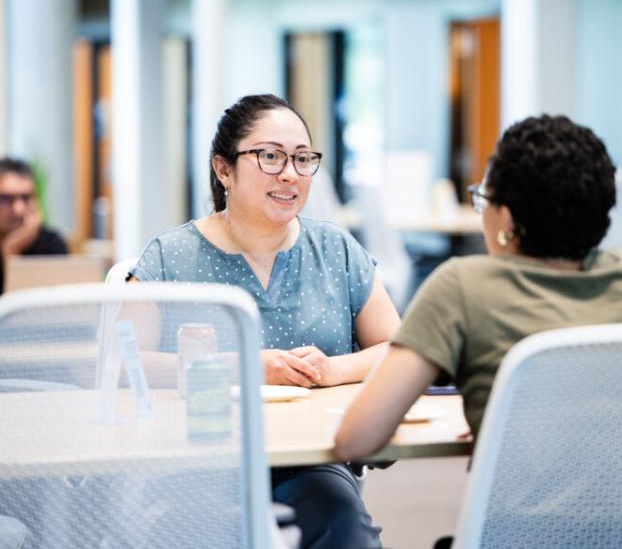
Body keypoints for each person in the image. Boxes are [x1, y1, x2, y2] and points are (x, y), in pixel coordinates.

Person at [130, 94, 401, 548]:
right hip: (198, 462)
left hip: (315, 461)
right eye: (270, 157)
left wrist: (334, 369)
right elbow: (122, 366)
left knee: (344, 527)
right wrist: (246, 368)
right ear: (224, 169)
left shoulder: (336, 250)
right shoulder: (170, 257)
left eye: (302, 159)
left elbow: (400, 348)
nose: (290, 174)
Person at [335, 114, 622, 462]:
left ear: (506, 220)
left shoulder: (462, 288)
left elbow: (356, 440)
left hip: (519, 518)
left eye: (484, 198)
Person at [0, 157, 68, 292]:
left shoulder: (52, 244)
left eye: (26, 198)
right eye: (7, 199)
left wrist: (12, 251)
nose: (18, 209)